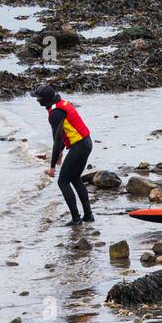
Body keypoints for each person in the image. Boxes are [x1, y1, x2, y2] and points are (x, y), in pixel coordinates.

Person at [34, 84, 93, 226]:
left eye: (38, 98)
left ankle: (76, 219)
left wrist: (52, 166)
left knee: (63, 181)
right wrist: (60, 152)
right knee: (74, 178)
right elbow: (62, 135)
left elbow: (57, 139)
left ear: (45, 99)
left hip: (79, 146)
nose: (36, 100)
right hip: (86, 142)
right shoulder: (61, 103)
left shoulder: (55, 113)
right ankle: (88, 216)